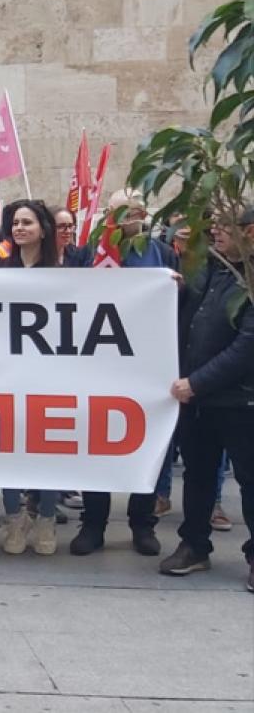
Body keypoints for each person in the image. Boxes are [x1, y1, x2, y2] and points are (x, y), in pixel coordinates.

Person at [69, 190, 177, 557]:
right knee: (96, 447)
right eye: (120, 212)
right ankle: (93, 524)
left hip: (148, 369)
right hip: (98, 366)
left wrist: (175, 288)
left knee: (148, 447)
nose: (129, 219)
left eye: (135, 212)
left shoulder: (161, 254)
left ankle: (142, 525)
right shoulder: (89, 254)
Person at [160, 206, 254, 592]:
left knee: (250, 480)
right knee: (198, 477)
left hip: (240, 402)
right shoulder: (209, 269)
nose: (215, 234)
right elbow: (188, 313)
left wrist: (196, 382)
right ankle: (194, 545)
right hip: (198, 402)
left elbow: (247, 347)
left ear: (250, 233)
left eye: (224, 229)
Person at [0, 200, 61, 555]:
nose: (19, 228)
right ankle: (15, 519)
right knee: (8, 451)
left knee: (45, 451)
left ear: (43, 229)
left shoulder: (63, 272)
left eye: (27, 222)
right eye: (15, 223)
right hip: (7, 376)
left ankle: (47, 517)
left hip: (46, 378)